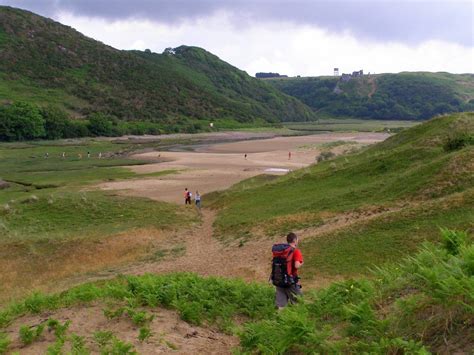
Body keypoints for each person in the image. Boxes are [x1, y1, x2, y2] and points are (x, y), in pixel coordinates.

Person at [274, 232, 303, 309]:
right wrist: (301, 263)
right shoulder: (296, 251)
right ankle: (297, 320)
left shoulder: (281, 251)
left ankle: (280, 320)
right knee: (299, 303)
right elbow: (296, 265)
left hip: (279, 281)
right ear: (295, 240)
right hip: (291, 281)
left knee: (281, 306)